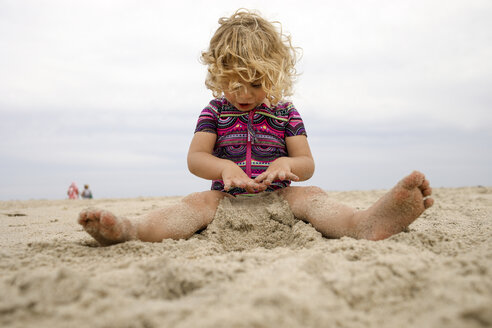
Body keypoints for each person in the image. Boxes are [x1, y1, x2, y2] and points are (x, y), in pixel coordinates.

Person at [78, 9, 433, 246]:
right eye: (233, 83)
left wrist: (286, 165)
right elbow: (196, 158)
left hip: (280, 198)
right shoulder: (214, 111)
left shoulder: (285, 113)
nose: (243, 94)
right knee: (192, 205)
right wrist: (225, 167)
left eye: (256, 83)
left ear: (275, 75)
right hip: (225, 201)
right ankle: (130, 230)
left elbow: (307, 165)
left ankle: (362, 224)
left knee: (313, 197)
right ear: (218, 75)